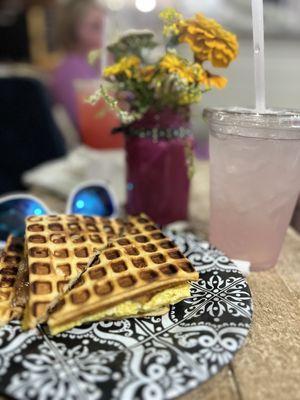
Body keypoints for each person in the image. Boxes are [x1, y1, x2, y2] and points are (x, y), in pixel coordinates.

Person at [51, 0, 104, 127]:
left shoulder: (97, 64)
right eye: (96, 27)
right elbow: (91, 123)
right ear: (72, 30)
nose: (104, 33)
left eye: (105, 26)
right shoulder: (68, 71)